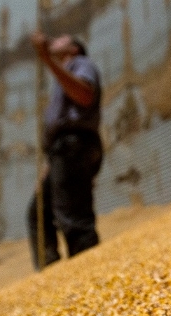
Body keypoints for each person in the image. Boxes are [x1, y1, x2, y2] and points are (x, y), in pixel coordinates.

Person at [27, 32, 103, 270]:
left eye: (60, 39)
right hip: (61, 153)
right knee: (38, 212)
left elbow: (84, 95)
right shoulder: (63, 75)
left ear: (73, 49)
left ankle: (89, 275)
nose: (53, 39)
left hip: (74, 146)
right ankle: (51, 273)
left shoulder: (81, 65)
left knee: (73, 218)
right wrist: (48, 168)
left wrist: (48, 60)